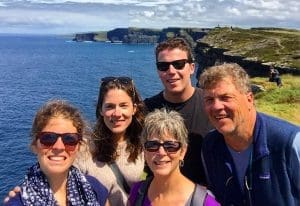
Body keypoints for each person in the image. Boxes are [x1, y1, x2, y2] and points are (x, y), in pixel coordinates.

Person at [199, 63, 300, 205]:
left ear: (249, 99)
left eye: (226, 97)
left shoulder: (289, 143)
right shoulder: (210, 146)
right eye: (209, 100)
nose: (216, 106)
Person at [4, 100, 110, 206]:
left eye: (69, 139)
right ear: (34, 145)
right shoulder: (17, 203)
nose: (59, 147)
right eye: (48, 138)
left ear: (79, 146)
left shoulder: (95, 189)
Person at [144, 37, 212, 185]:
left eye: (179, 64)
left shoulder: (211, 105)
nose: (171, 71)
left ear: (192, 68)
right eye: (163, 66)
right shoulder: (146, 110)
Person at [74, 76, 146, 205]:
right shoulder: (84, 148)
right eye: (110, 107)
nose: (117, 113)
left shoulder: (145, 146)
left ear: (134, 108)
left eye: (124, 105)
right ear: (101, 109)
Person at [128, 108, 220, 206]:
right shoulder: (137, 192)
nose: (161, 152)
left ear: (182, 152)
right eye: (152, 145)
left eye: (170, 146)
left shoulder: (206, 203)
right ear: (144, 151)